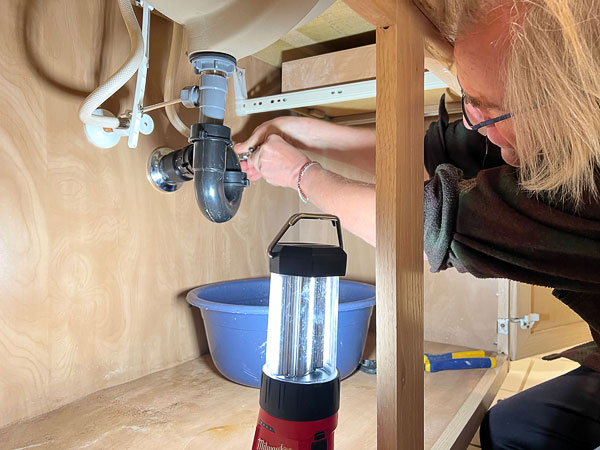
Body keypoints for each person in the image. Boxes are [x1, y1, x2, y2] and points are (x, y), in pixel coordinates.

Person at [234, 1, 600, 448]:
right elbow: (417, 153)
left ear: (570, 102)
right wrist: (294, 130)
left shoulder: (590, 191)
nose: (474, 124)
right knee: (511, 427)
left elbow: (422, 227)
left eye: (490, 109)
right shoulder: (537, 125)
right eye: (469, 99)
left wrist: (300, 174)